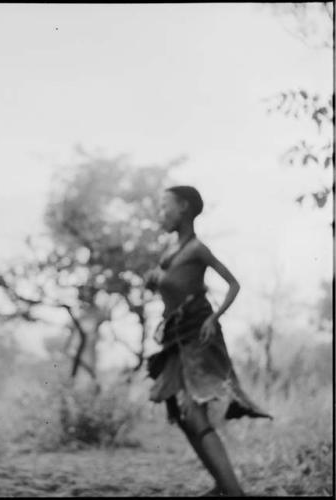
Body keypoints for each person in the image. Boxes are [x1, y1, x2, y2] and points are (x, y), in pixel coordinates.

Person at [145, 186, 271, 497]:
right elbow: (171, 290)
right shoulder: (169, 255)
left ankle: (233, 490)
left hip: (198, 334)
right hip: (175, 338)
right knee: (182, 414)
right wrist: (154, 282)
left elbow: (233, 284)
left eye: (165, 207)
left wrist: (213, 319)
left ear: (183, 208)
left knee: (194, 411)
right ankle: (222, 485)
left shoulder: (197, 249)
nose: (160, 214)